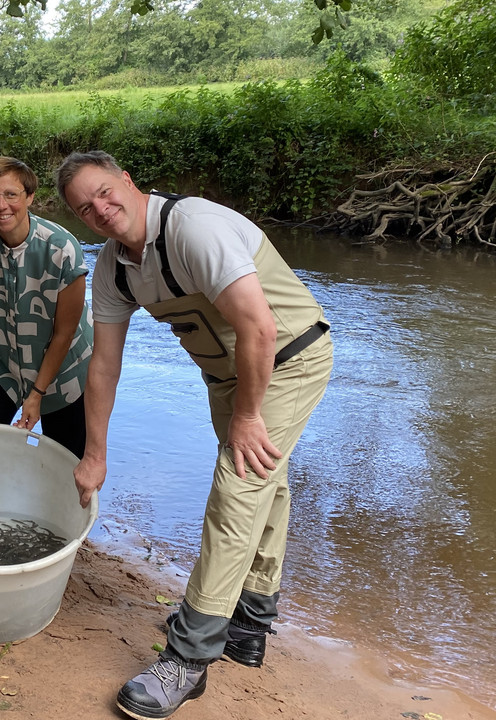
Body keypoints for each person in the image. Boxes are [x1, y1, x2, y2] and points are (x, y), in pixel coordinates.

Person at [57, 151, 333, 720]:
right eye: (86, 207)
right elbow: (103, 366)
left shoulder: (193, 229)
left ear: (128, 181)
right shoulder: (113, 268)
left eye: (106, 192)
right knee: (264, 485)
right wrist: (94, 455)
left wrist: (249, 415)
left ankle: (188, 658)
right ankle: (248, 624)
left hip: (286, 359)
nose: (102, 210)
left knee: (237, 491)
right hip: (227, 375)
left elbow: (258, 324)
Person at [0, 156, 93, 459]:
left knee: (68, 462)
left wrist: (37, 394)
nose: (1, 205)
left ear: (29, 197)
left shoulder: (62, 249)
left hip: (65, 372)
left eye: (11, 195)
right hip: (4, 362)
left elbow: (64, 332)